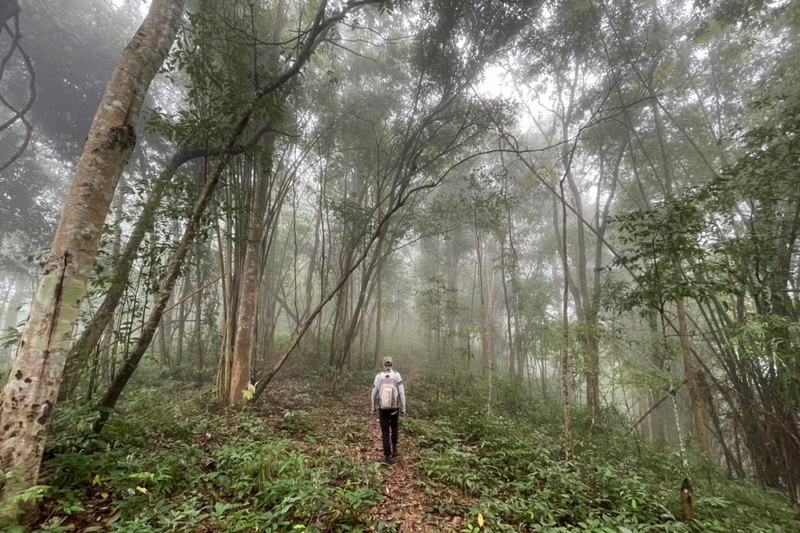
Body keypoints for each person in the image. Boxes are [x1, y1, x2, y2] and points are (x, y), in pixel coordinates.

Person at [371, 356, 406, 464]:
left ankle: (387, 456)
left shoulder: (379, 376)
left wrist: (373, 406)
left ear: (383, 364)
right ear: (392, 364)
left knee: (385, 431)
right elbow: (401, 393)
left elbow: (374, 392)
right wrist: (404, 408)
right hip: (394, 407)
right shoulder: (396, 375)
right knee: (394, 427)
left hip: (383, 407)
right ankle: (394, 450)